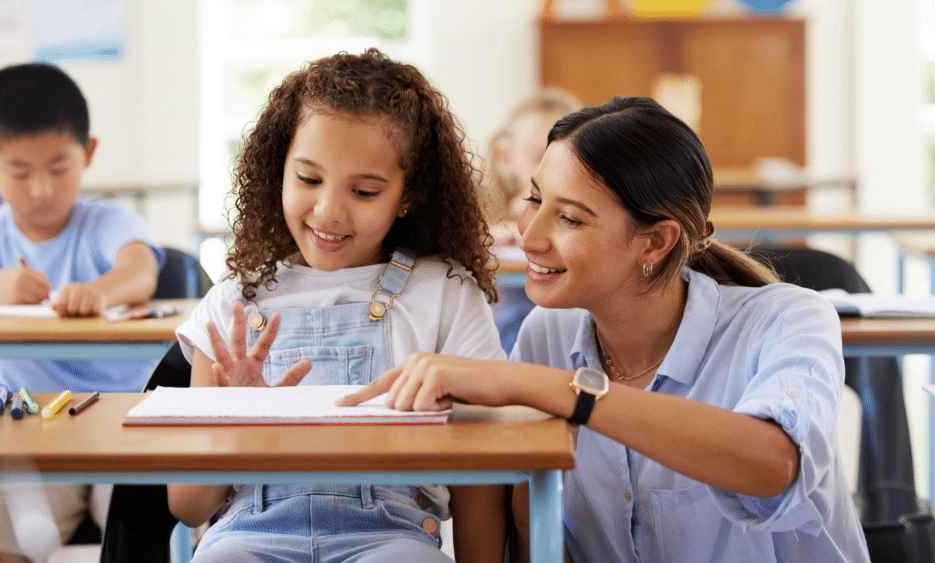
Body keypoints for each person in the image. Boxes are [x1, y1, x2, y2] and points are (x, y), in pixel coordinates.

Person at [341, 97, 871, 562]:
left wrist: (547, 389)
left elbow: (772, 464)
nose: (530, 239)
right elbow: (545, 544)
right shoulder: (547, 337)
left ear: (655, 242)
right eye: (534, 199)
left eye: (569, 218)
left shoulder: (789, 319)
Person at [167, 49, 507, 563]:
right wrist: (234, 420)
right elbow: (189, 506)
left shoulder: (446, 295)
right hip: (249, 537)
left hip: (391, 537)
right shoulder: (233, 303)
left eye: (365, 191)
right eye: (308, 180)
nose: (328, 210)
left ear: (408, 194)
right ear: (276, 169)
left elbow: (482, 476)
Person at [0, 63, 163, 563]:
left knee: (142, 537)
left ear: (89, 154)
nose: (41, 190)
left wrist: (99, 292)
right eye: (19, 171)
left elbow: (140, 269)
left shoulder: (106, 220)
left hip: (124, 432)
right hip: (28, 436)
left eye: (58, 169)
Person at [486, 88, 582, 354]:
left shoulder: (587, 218)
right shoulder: (490, 224)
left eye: (570, 158)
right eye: (539, 156)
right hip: (502, 357)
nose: (554, 169)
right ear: (505, 158)